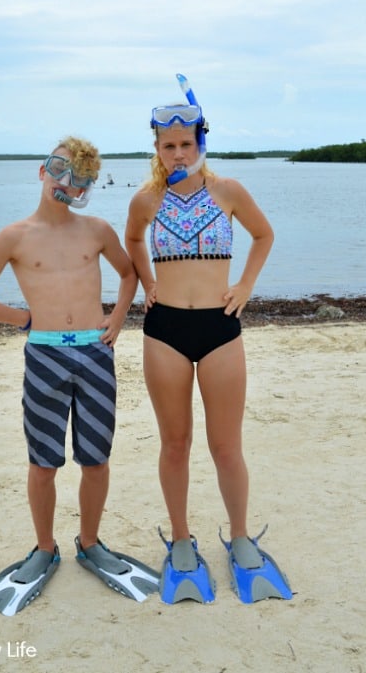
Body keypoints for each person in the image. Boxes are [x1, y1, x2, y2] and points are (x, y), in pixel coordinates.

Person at [0, 137, 159, 615]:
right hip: (44, 357)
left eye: (79, 177)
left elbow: (129, 274)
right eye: (58, 169)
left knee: (96, 458)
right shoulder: (15, 237)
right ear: (41, 171)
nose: (65, 182)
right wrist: (24, 321)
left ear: (87, 186)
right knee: (43, 462)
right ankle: (45, 547)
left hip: (94, 354)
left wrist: (117, 318)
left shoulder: (96, 230)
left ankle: (89, 543)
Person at [124, 77, 292, 605]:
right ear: (156, 147)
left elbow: (263, 235)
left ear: (201, 142)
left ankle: (240, 538)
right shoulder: (146, 199)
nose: (178, 153)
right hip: (165, 332)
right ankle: (180, 540)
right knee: (175, 444)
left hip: (220, 331)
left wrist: (244, 285)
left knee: (226, 446)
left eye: (187, 143)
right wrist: (147, 282)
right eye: (168, 145)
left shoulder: (229, 192)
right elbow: (131, 240)